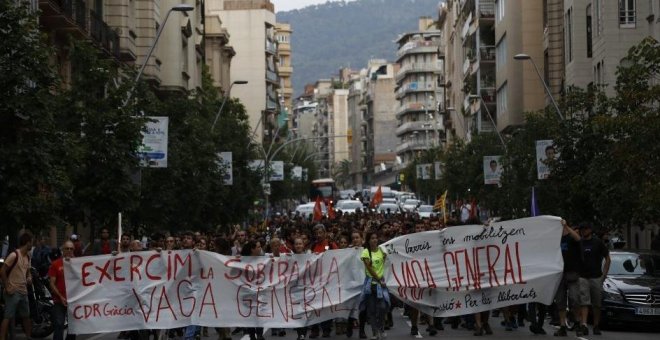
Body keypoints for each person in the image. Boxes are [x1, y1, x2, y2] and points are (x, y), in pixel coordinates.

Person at [576, 222, 610, 336]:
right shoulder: (579, 242)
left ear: (590, 230)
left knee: (597, 304)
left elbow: (608, 258)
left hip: (596, 277)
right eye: (581, 229)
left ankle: (596, 325)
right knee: (584, 302)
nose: (583, 231)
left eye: (585, 229)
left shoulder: (598, 242)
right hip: (583, 277)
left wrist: (604, 275)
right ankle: (584, 325)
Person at [0, 231, 34, 340]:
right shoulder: (14, 254)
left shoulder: (27, 257)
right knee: (8, 317)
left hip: (23, 291)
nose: (32, 245)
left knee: (26, 316)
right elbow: (2, 270)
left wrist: (29, 278)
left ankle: (28, 337)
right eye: (31, 242)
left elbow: (28, 272)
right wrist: (7, 286)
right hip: (13, 291)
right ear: (27, 243)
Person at [553, 219, 581, 336]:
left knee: (574, 298)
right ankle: (562, 326)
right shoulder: (555, 239)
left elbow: (578, 239)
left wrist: (567, 226)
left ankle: (578, 323)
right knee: (560, 300)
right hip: (559, 273)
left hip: (571, 272)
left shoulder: (571, 237)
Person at [309, 224, 337, 338]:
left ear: (325, 233)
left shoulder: (331, 245)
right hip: (315, 281)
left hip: (328, 280)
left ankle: (326, 329)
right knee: (314, 306)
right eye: (316, 233)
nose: (318, 235)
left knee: (326, 306)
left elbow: (338, 258)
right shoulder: (312, 247)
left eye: (321, 233)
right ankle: (315, 329)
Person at [360, 231, 389, 340]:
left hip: (380, 284)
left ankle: (381, 327)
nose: (374, 240)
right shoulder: (366, 252)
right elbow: (369, 268)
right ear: (368, 240)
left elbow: (384, 263)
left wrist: (382, 279)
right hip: (370, 284)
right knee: (371, 310)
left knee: (382, 307)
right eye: (372, 238)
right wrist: (378, 279)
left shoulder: (382, 251)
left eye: (376, 238)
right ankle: (375, 332)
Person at [49, 240, 76, 340]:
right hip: (59, 300)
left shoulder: (79, 264)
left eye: (71, 248)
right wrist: (61, 297)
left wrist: (113, 257)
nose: (69, 250)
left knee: (73, 328)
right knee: (59, 325)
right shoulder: (55, 264)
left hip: (74, 300)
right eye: (67, 248)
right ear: (62, 250)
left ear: (74, 250)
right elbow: (51, 283)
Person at [241, 241, 265, 340]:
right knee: (250, 314)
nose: (260, 248)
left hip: (260, 291)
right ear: (252, 249)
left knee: (260, 313)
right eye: (258, 247)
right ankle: (252, 335)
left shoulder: (264, 259)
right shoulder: (242, 262)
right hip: (247, 292)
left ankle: (259, 334)